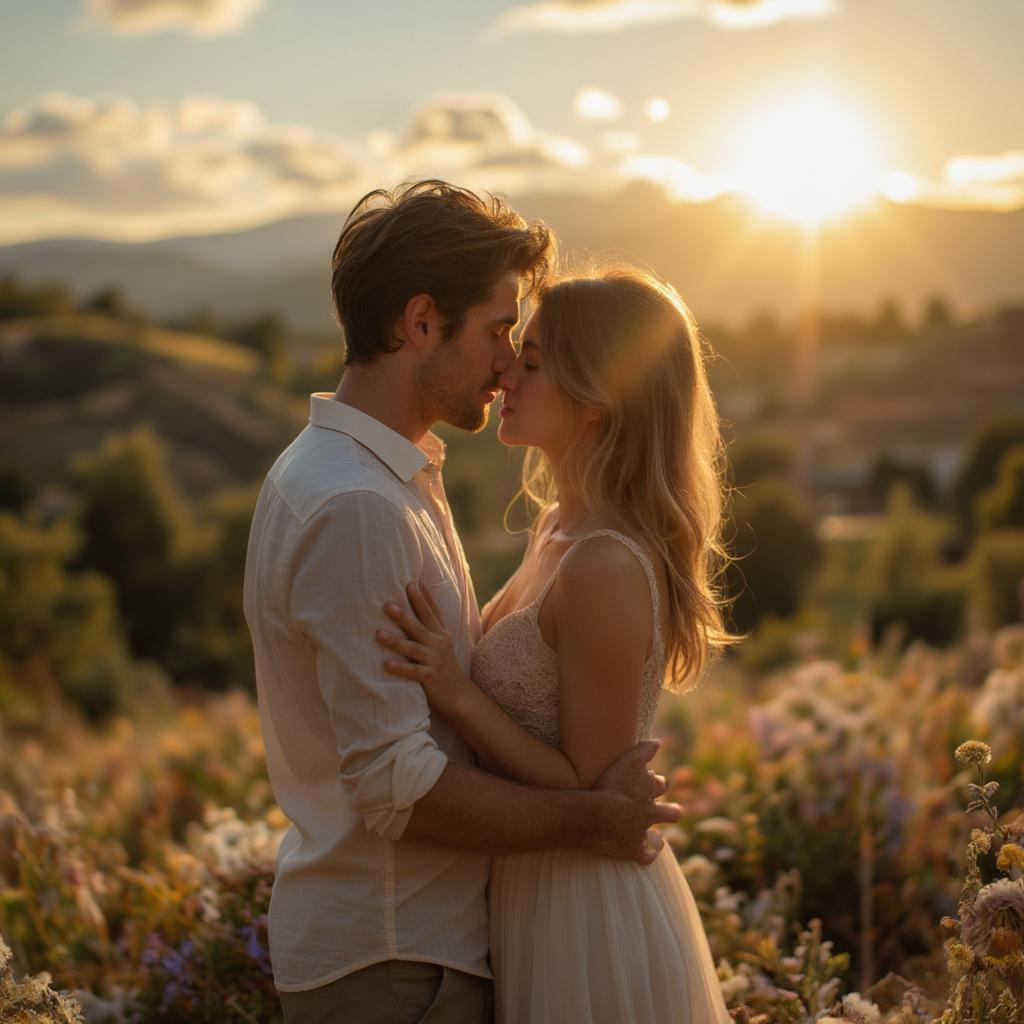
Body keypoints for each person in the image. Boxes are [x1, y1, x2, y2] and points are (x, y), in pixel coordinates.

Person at [242, 182, 682, 1024]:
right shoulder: (359, 505)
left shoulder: (382, 478)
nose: (507, 362)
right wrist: (595, 822)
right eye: (496, 331)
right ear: (419, 324)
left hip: (428, 948)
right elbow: (395, 785)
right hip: (397, 957)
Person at [375, 265, 739, 1023]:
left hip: (584, 906)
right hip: (525, 889)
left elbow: (587, 783)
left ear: (599, 404)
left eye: (533, 363)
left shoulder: (604, 563)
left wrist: (455, 693)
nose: (505, 371)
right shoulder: (554, 529)